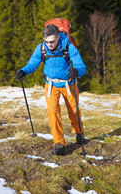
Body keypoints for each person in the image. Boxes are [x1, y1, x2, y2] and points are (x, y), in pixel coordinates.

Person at [16, 24, 87, 155]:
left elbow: (81, 66)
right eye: (46, 41)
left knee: (73, 110)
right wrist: (24, 71)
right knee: (53, 112)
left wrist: (76, 71)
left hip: (68, 84)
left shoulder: (68, 47)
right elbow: (33, 63)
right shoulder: (41, 48)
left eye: (52, 41)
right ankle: (59, 143)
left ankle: (78, 132)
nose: (49, 45)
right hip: (51, 85)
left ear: (58, 37)